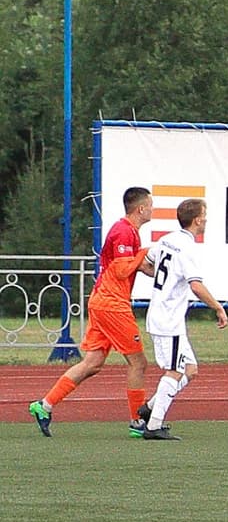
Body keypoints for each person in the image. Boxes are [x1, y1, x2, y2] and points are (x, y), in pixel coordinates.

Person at [29, 187, 155, 438]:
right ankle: (137, 422)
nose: (153, 209)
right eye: (151, 205)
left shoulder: (129, 232)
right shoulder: (123, 231)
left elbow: (138, 266)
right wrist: (144, 253)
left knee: (93, 363)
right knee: (139, 363)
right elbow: (122, 271)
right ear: (141, 208)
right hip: (112, 304)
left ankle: (44, 405)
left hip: (103, 301)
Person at [137, 197, 228, 441]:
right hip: (169, 320)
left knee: (190, 369)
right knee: (175, 371)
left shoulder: (167, 239)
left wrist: (166, 282)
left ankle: (149, 409)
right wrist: (218, 307)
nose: (206, 220)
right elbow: (196, 286)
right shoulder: (188, 248)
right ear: (197, 220)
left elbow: (145, 265)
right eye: (204, 215)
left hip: (161, 315)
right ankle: (154, 425)